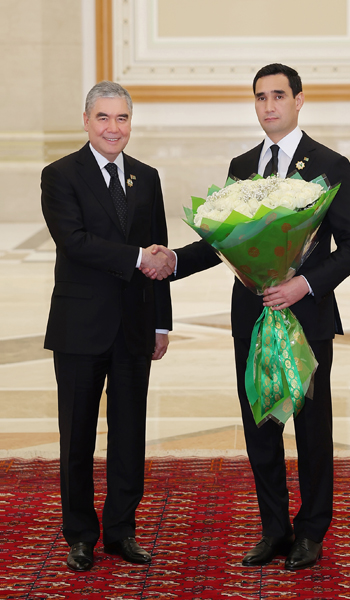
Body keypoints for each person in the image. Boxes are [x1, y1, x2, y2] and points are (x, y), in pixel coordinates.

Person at [146, 64, 350, 570]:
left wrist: (303, 284)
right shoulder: (243, 163)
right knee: (259, 423)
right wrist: (174, 261)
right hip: (251, 314)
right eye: (260, 97)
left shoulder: (330, 165)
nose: (269, 106)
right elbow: (221, 240)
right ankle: (275, 530)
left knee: (312, 427)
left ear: (298, 100)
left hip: (306, 316)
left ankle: (312, 531)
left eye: (278, 95)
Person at [41, 81, 175, 572]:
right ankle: (79, 534)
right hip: (80, 327)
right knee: (76, 436)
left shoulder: (147, 176)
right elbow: (73, 241)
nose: (113, 128)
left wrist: (162, 322)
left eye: (121, 119)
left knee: (129, 434)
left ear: (130, 123)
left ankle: (121, 530)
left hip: (135, 327)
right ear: (85, 120)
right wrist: (139, 257)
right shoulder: (59, 175)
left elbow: (159, 251)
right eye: (103, 118)